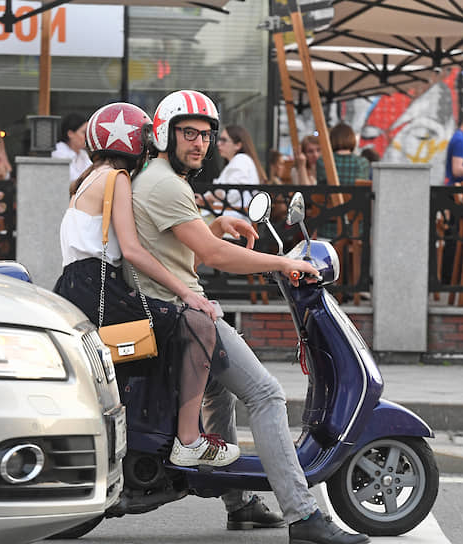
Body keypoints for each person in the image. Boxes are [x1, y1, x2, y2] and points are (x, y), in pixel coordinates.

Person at [126, 89, 369, 544]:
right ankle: (303, 515)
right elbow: (217, 256)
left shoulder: (165, 180)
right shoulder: (164, 183)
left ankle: (239, 502)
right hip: (182, 315)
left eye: (205, 135)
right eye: (188, 133)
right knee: (266, 393)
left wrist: (216, 225)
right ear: (165, 134)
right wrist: (285, 263)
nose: (199, 143)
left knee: (222, 393)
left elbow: (184, 248)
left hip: (173, 310)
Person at [53, 102, 239, 470]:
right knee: (196, 323)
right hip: (99, 286)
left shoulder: (87, 178)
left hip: (76, 285)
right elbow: (135, 251)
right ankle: (189, 439)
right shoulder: (116, 179)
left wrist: (210, 231)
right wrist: (187, 293)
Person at [198, 124, 266, 223]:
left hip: (232, 220)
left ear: (238, 145)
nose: (218, 144)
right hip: (230, 218)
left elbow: (233, 194)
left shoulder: (241, 160)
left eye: (224, 140)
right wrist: (206, 198)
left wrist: (209, 197)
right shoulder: (239, 161)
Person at [51, 112, 91, 183]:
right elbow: (73, 180)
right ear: (70, 134)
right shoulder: (58, 152)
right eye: (84, 132)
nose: (87, 136)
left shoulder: (83, 154)